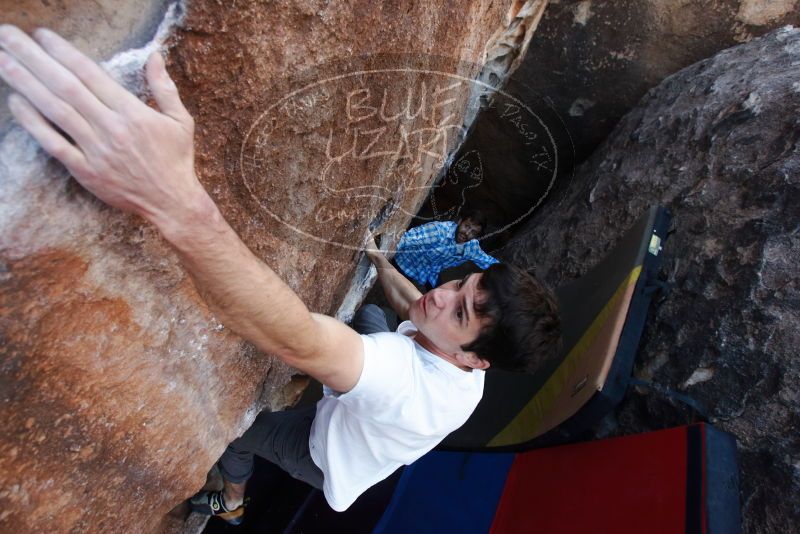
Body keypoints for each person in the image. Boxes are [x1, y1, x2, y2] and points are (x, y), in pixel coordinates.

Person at [0, 26, 561, 524]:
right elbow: (416, 301)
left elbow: (298, 337)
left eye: (460, 311)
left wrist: (173, 202)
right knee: (376, 311)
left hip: (323, 454)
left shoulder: (404, 388)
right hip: (384, 390)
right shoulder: (456, 345)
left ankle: (234, 502)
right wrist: (378, 260)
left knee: (238, 431)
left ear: (471, 360)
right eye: (460, 283)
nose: (442, 295)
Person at [394, 209, 499, 288]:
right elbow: (407, 238)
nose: (467, 233)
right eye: (467, 226)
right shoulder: (439, 231)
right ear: (460, 222)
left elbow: (489, 262)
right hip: (407, 263)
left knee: (439, 294)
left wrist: (508, 275)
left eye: (473, 232)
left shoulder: (471, 247)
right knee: (404, 299)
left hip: (431, 271)